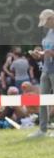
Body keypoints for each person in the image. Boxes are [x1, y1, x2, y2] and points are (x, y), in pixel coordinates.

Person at [28, 8, 54, 139]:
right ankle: (42, 130)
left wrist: (51, 53)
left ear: (51, 19)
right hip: (46, 69)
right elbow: (47, 51)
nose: (44, 25)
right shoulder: (49, 32)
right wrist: (39, 54)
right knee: (43, 99)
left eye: (45, 22)